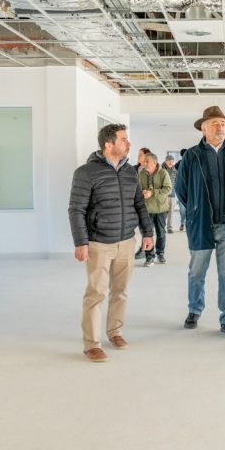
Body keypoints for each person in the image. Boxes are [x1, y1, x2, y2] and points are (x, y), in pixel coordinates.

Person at [68, 124, 154, 363]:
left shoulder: (130, 172)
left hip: (127, 241)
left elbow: (139, 204)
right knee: (95, 294)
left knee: (120, 291)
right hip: (99, 243)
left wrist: (147, 233)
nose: (128, 143)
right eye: (123, 139)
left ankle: (115, 331)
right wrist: (81, 242)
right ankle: (91, 344)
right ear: (108, 144)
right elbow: (76, 209)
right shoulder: (85, 172)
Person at [175, 106, 225, 338]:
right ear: (204, 128)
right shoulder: (191, 156)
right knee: (197, 272)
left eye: (223, 123)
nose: (220, 127)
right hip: (201, 224)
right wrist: (194, 211)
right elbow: (181, 189)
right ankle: (194, 310)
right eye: (215, 123)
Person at [138, 152, 172, 266]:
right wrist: (142, 192)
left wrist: (152, 193)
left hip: (161, 209)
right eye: (144, 161)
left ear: (154, 162)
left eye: (147, 161)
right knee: (148, 234)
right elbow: (138, 188)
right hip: (147, 209)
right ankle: (149, 257)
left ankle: (160, 253)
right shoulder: (141, 173)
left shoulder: (163, 173)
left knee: (161, 233)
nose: (144, 163)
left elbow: (168, 189)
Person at [133, 147, 153, 259]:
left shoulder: (150, 169)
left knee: (146, 228)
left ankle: (146, 251)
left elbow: (155, 184)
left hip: (148, 202)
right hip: (135, 201)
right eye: (138, 154)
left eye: (140, 154)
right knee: (139, 227)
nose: (138, 156)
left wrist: (149, 191)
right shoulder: (133, 169)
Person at [163, 154, 178, 232]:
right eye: (169, 161)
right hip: (163, 195)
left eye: (172, 161)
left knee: (171, 212)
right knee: (163, 212)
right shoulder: (160, 169)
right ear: (166, 161)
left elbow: (177, 181)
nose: (171, 162)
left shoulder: (175, 170)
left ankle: (169, 227)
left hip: (172, 194)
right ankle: (162, 227)